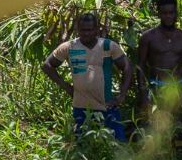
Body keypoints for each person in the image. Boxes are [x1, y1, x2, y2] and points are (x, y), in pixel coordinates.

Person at [42, 12, 133, 143]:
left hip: (107, 105)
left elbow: (127, 66)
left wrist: (122, 95)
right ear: (78, 30)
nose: (86, 33)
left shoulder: (108, 46)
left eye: (89, 30)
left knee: (117, 143)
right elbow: (47, 65)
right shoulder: (69, 47)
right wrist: (67, 87)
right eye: (83, 30)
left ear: (97, 29)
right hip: (81, 106)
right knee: (83, 145)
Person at [137, 0, 182, 121]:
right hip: (157, 89)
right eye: (164, 13)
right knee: (158, 129)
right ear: (159, 14)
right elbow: (140, 66)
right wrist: (143, 95)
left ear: (176, 13)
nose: (168, 16)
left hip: (181, 88)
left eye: (171, 13)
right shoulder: (148, 37)